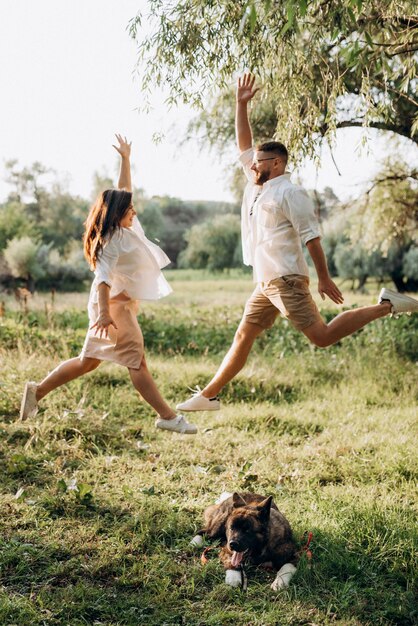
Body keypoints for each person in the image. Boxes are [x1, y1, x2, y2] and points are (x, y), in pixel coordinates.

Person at [177, 73, 418, 413]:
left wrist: (323, 276)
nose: (251, 164)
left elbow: (312, 238)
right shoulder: (260, 186)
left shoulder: (291, 193)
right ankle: (209, 395)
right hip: (266, 283)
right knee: (244, 336)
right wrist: (241, 103)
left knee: (322, 336)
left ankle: (387, 305)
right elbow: (242, 145)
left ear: (276, 164)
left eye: (258, 162)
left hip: (287, 278)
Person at [20, 135, 197, 435]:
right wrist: (104, 314)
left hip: (119, 303)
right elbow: (101, 279)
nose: (135, 211)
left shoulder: (126, 226)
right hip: (112, 306)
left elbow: (124, 189)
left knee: (88, 362)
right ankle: (167, 416)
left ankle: (36, 391)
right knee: (136, 360)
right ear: (118, 214)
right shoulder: (111, 240)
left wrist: (125, 159)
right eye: (130, 210)